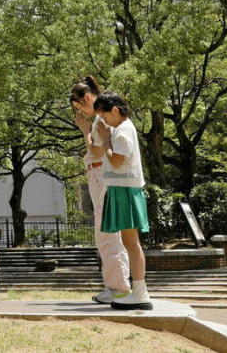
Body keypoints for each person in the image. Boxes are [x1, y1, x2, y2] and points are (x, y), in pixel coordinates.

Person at [70, 76, 130, 304]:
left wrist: (84, 131)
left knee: (106, 234)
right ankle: (117, 284)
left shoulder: (98, 121)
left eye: (80, 106)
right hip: (102, 177)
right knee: (109, 234)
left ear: (87, 97)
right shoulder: (102, 119)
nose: (81, 111)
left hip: (101, 176)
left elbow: (95, 151)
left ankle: (117, 286)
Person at [94, 91, 152, 309]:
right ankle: (139, 291)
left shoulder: (123, 131)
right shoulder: (123, 129)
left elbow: (117, 161)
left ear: (115, 110)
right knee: (130, 242)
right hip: (124, 188)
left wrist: (106, 139)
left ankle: (140, 292)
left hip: (125, 189)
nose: (105, 121)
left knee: (131, 242)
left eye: (105, 116)